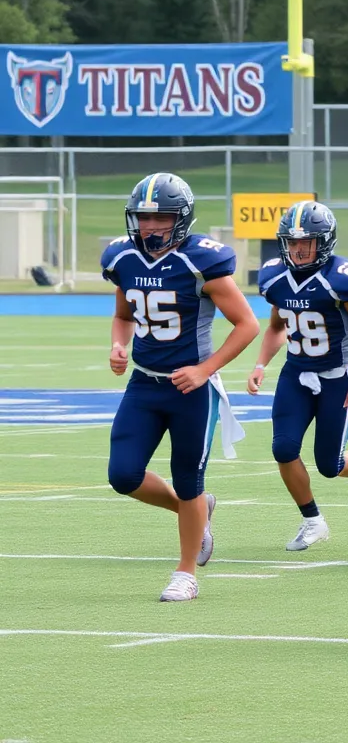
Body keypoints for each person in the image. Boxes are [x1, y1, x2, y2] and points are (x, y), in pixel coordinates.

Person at [103, 173, 259, 601]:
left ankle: (186, 572)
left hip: (192, 389)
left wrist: (205, 369)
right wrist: (119, 345)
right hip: (144, 383)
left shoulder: (201, 260)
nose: (151, 226)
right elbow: (123, 315)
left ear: (182, 219)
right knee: (123, 474)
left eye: (162, 217)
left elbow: (247, 324)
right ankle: (195, 512)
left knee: (189, 478)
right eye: (144, 217)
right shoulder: (123, 257)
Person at [247, 201, 348, 551]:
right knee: (283, 448)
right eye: (292, 242)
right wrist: (261, 365)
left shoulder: (341, 279)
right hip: (295, 373)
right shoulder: (275, 278)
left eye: (306, 242)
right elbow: (276, 327)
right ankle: (312, 520)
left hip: (337, 376)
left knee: (329, 464)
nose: (298, 250)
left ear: (324, 242)